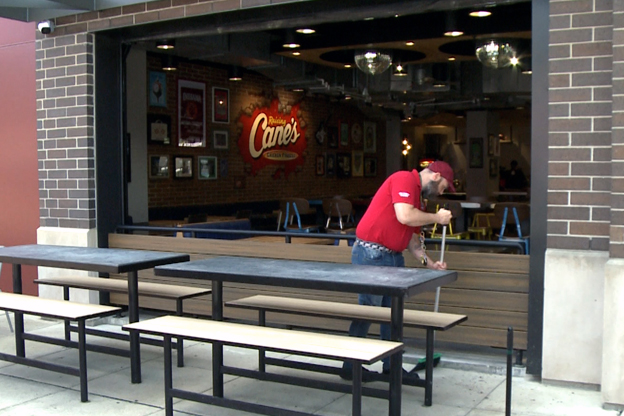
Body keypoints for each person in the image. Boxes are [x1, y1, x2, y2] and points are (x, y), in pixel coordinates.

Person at [341, 161, 454, 382]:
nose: (442, 192)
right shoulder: (404, 179)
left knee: (393, 315)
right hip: (371, 254)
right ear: (436, 175)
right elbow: (404, 216)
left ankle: (391, 367)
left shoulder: (417, 200)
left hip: (392, 256)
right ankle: (350, 366)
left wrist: (429, 263)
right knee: (369, 311)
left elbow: (413, 241)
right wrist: (437, 218)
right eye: (444, 186)